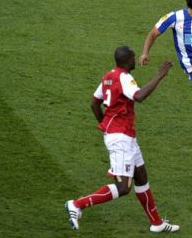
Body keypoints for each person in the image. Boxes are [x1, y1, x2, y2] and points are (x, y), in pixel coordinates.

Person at [65, 46, 179, 233]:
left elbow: (94, 102)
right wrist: (160, 75)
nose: (135, 60)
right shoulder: (125, 78)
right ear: (127, 61)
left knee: (141, 177)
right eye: (133, 58)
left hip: (122, 135)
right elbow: (139, 96)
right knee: (123, 187)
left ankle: (156, 223)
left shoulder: (108, 76)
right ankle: (77, 204)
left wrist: (106, 125)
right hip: (120, 138)